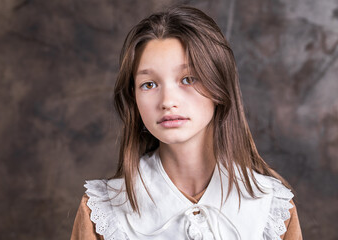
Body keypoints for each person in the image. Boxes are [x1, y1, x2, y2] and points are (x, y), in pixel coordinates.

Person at [71, 5, 302, 240]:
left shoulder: (271, 208)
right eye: (149, 84)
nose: (168, 101)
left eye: (188, 79)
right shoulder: (101, 211)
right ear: (134, 97)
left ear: (219, 86)